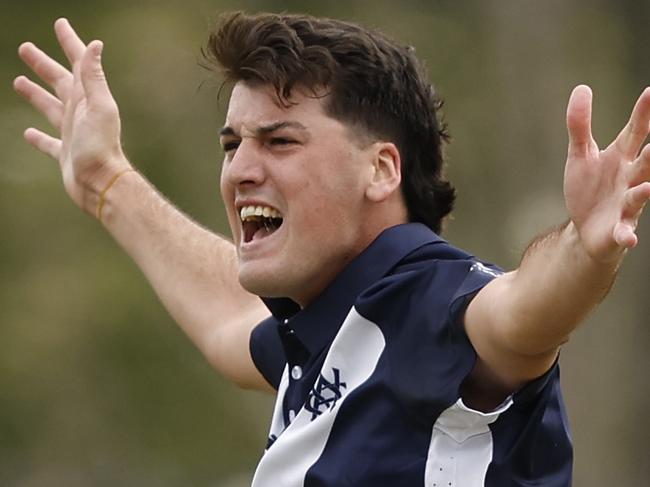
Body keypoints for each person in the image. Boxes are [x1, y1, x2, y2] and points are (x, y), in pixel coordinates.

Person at [13, 12, 650, 487]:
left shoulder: (430, 301)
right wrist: (104, 181)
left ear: (381, 171)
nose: (238, 170)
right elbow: (231, 317)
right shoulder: (318, 330)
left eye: (280, 141)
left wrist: (584, 249)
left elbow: (524, 312)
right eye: (232, 144)